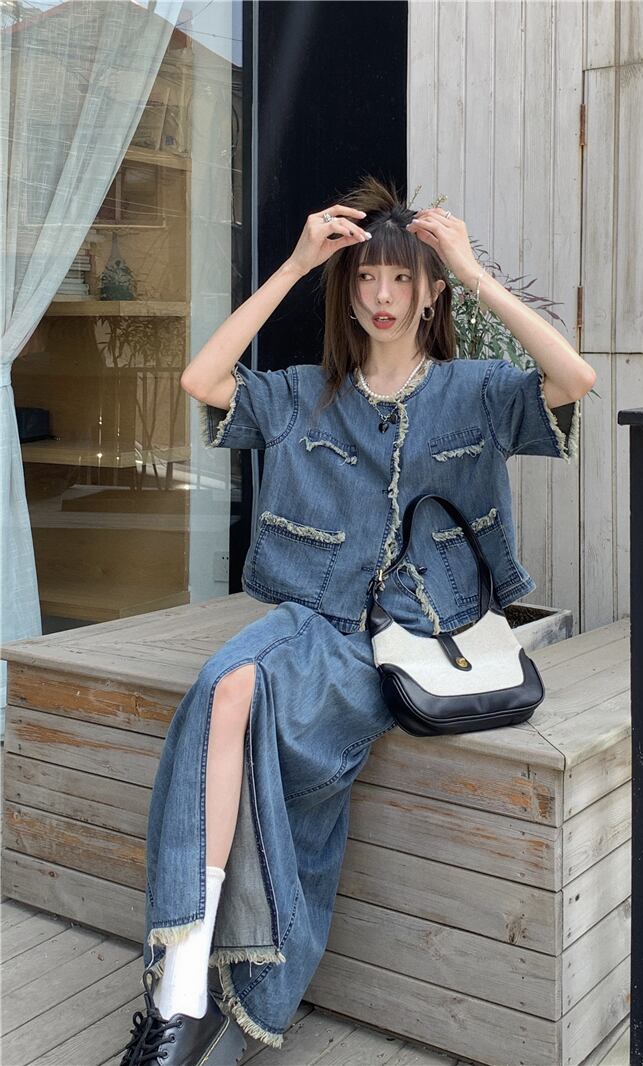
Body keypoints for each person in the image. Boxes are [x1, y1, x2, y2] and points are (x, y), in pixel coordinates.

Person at [118, 175, 593, 1066]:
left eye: (403, 279)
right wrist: (296, 265)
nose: (383, 296)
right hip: (316, 624)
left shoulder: (476, 392)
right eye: (368, 277)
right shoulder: (306, 393)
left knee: (246, 712)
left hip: (418, 640)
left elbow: (575, 379)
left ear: (430, 293)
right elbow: (200, 379)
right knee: (225, 686)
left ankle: (199, 990)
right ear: (347, 290)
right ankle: (179, 988)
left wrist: (472, 272)